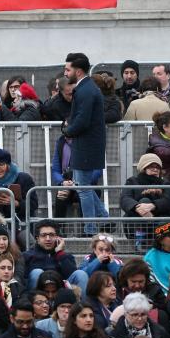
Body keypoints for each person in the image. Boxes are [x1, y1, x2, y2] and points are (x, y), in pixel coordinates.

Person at [62, 52, 108, 234]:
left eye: (67, 69)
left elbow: (83, 120)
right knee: (83, 186)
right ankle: (104, 218)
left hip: (87, 145)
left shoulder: (86, 90)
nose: (65, 73)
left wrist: (67, 130)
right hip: (87, 145)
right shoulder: (86, 88)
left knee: (83, 188)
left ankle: (91, 229)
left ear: (78, 71)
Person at [23, 219, 89, 293]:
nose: (48, 239)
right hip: (38, 293)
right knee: (36, 272)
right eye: (43, 235)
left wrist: (59, 253)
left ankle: (83, 304)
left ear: (58, 238)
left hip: (61, 292)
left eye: (51, 235)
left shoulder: (65, 256)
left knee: (81, 274)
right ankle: (35, 303)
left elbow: (71, 274)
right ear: (37, 239)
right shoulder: (27, 256)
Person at [121, 154, 170, 234]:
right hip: (137, 218)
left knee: (146, 202)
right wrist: (137, 207)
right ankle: (142, 239)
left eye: (157, 167)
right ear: (143, 168)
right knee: (144, 200)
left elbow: (168, 200)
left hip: (160, 218)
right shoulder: (132, 181)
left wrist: (153, 205)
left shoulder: (165, 183)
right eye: (151, 166)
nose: (155, 169)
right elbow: (125, 198)